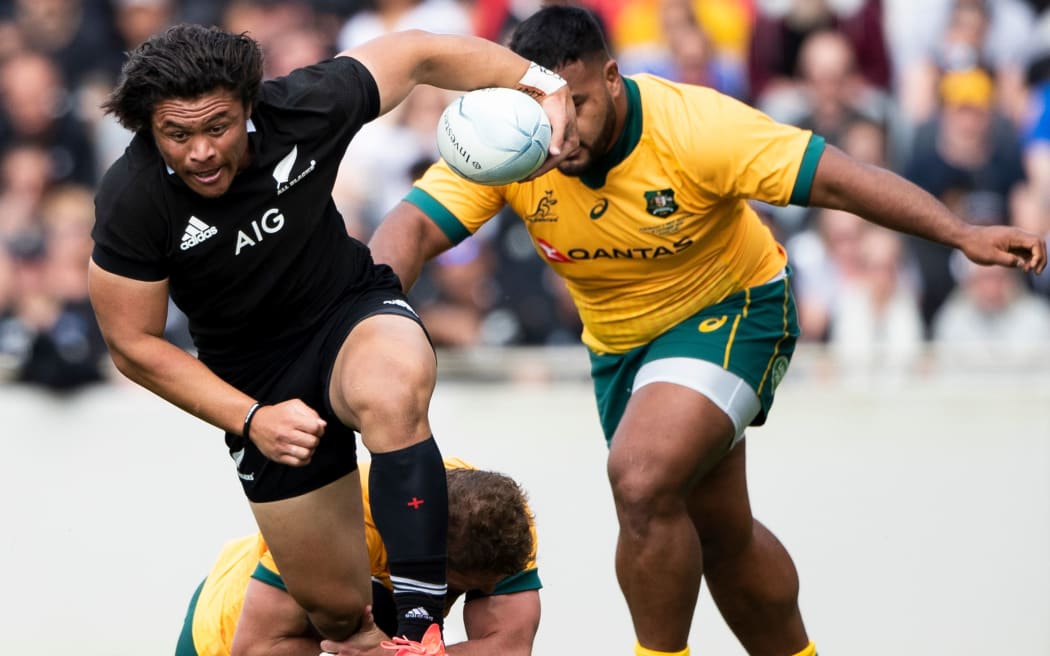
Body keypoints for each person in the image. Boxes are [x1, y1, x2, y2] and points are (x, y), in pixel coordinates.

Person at [367, 6, 1047, 656]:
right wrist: (370, 309)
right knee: (720, 535)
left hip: (735, 309)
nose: (561, 129)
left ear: (611, 77)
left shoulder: (696, 128)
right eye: (545, 105)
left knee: (638, 477)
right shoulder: (514, 138)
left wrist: (962, 233)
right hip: (620, 347)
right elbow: (416, 225)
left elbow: (841, 181)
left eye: (578, 101)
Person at [88, 22, 575, 654]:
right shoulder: (133, 199)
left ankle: (420, 620)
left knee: (392, 391)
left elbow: (417, 52)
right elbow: (133, 345)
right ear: (148, 128)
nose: (201, 151)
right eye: (177, 134)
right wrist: (251, 418)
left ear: (249, 105)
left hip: (347, 311)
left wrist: (541, 81)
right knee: (338, 615)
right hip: (254, 379)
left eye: (218, 127)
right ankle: (375, 640)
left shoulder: (304, 108)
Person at [176, 458, 540, 656]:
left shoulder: (500, 521)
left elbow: (509, 647)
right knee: (373, 608)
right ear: (430, 558)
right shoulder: (340, 518)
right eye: (456, 588)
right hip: (227, 633)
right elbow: (254, 649)